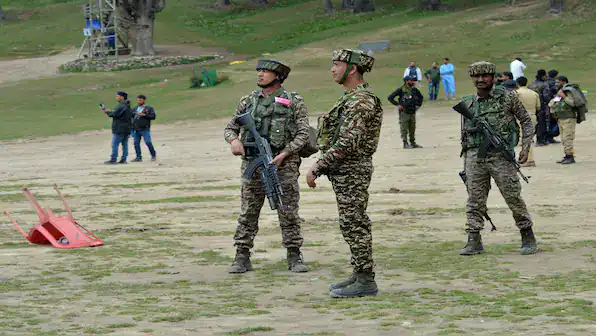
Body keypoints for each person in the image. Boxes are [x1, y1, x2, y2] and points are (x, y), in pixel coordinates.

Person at [306, 49, 383, 298]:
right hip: (345, 170)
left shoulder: (361, 100)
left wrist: (319, 166)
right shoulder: (350, 98)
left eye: (336, 64)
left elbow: (349, 141)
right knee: (350, 223)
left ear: (351, 68)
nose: (332, 69)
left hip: (353, 170)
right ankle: (359, 272)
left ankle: (365, 280)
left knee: (354, 223)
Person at [223, 59, 310, 274]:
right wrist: (234, 141)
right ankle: (242, 255)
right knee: (248, 211)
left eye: (265, 71)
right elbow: (230, 128)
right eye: (259, 71)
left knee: (287, 209)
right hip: (252, 164)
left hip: (283, 165)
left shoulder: (293, 101)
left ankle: (294, 255)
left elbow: (303, 134)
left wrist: (285, 154)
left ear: (278, 76)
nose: (260, 74)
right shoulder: (248, 101)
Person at [458, 61, 537, 256]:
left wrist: (525, 147)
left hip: (500, 157)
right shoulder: (468, 102)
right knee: (474, 200)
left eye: (485, 76)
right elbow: (464, 133)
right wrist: (466, 160)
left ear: (493, 77)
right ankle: (473, 238)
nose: (480, 80)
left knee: (512, 196)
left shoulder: (508, 98)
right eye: (476, 76)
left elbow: (526, 121)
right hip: (474, 158)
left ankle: (527, 233)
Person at [549, 76, 588, 164]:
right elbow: (553, 103)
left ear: (564, 82)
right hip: (560, 118)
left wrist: (563, 96)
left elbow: (573, 103)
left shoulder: (569, 91)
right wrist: (555, 101)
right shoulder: (561, 92)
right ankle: (567, 155)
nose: (556, 84)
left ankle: (570, 157)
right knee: (563, 138)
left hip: (569, 118)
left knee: (567, 138)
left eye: (558, 82)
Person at [388, 76, 424, 149]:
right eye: (411, 81)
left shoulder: (414, 89)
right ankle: (405, 143)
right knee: (404, 128)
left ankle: (413, 143)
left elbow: (421, 97)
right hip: (404, 112)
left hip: (412, 111)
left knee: (412, 128)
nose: (413, 82)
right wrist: (398, 105)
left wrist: (418, 106)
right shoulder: (401, 90)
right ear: (406, 81)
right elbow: (390, 97)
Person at [101, 91, 132, 164]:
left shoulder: (121, 105)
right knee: (125, 144)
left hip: (119, 128)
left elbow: (115, 114)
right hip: (127, 128)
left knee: (115, 144)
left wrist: (107, 112)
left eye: (117, 96)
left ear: (122, 97)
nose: (116, 97)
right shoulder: (127, 105)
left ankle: (113, 159)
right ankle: (123, 159)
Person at [515, 76, 540, 167]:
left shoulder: (516, 93)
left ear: (517, 83)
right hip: (532, 116)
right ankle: (528, 158)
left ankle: (528, 159)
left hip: (521, 117)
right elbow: (538, 107)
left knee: (524, 139)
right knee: (529, 137)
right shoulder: (534, 93)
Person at [131, 95, 157, 162]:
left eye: (140, 100)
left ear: (144, 100)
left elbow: (153, 116)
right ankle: (138, 157)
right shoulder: (135, 108)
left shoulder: (149, 108)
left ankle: (153, 155)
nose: (139, 101)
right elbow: (131, 117)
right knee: (136, 143)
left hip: (145, 128)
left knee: (148, 142)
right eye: (138, 100)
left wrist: (144, 115)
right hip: (136, 129)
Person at [529, 70, 548, 146]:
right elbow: (546, 96)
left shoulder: (531, 85)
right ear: (543, 76)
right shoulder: (544, 85)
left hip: (532, 106)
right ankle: (540, 140)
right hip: (541, 106)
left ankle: (530, 138)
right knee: (541, 123)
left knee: (534, 123)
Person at [542, 69, 561, 144]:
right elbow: (557, 95)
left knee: (547, 122)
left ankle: (545, 136)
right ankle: (550, 137)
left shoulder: (545, 82)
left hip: (544, 105)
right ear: (556, 75)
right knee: (553, 122)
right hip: (552, 104)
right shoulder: (555, 83)